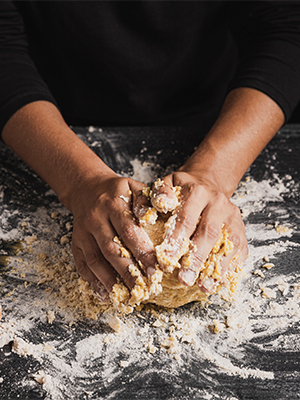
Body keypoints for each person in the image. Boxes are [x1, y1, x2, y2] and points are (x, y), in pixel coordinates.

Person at [1, 1, 300, 300]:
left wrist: (215, 172)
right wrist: (80, 181)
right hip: (50, 121)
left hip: (219, 117)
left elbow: (286, 27)